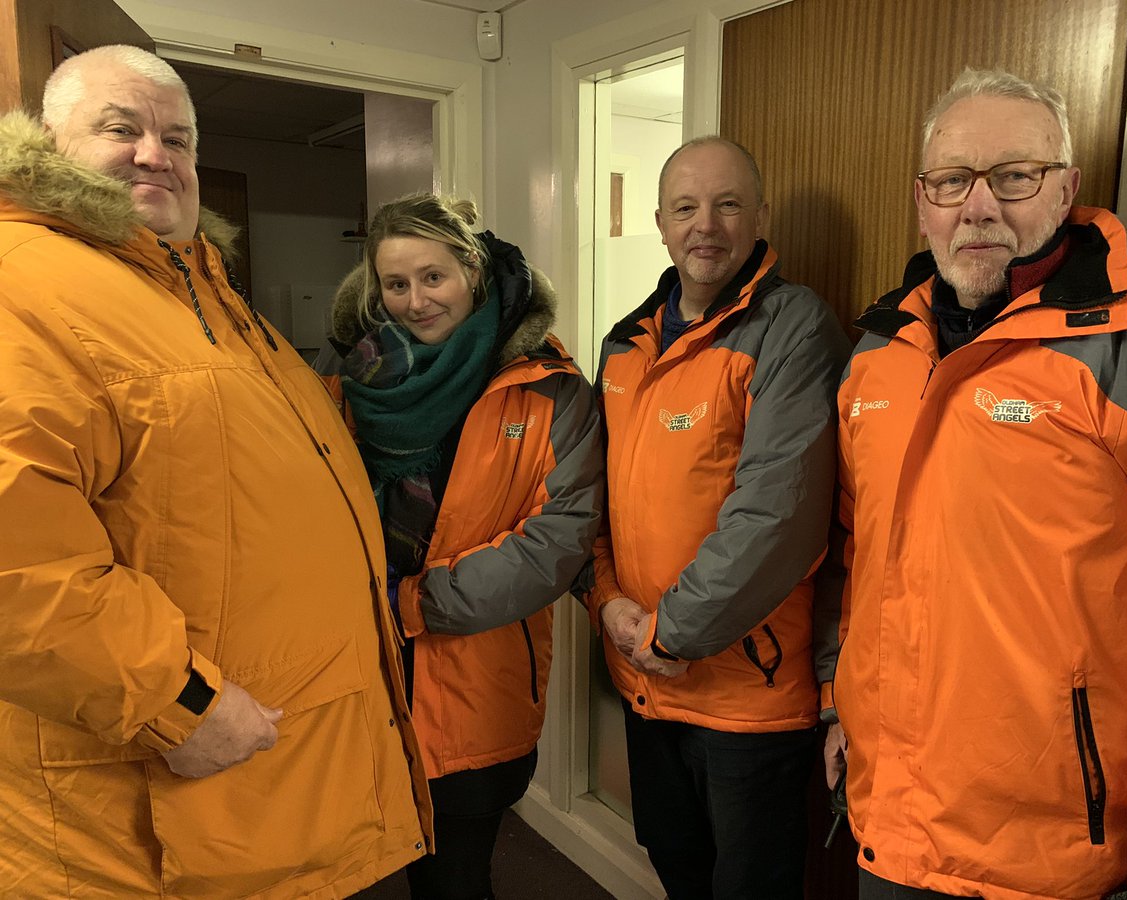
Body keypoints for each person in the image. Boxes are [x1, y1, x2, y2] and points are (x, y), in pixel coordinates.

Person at [0, 45, 432, 897]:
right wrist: (180, 704)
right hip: (154, 820)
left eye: (180, 137)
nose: (156, 154)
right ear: (45, 145)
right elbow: (19, 566)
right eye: (120, 129)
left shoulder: (205, 298)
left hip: (273, 790)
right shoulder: (24, 287)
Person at [826, 68, 1127, 900]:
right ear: (924, 198)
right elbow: (860, 556)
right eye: (953, 180)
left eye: (1014, 176)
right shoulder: (875, 354)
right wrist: (837, 699)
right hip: (888, 830)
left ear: (1066, 187)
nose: (980, 206)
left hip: (1061, 864)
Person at [581, 136, 850, 899]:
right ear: (661, 224)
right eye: (687, 207)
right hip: (644, 679)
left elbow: (776, 517)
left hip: (746, 697)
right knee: (676, 864)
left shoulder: (794, 327)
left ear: (760, 217)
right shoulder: (625, 344)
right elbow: (598, 506)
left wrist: (666, 633)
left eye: (729, 204)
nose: (708, 225)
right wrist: (608, 602)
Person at [321, 193, 603, 899]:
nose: (416, 300)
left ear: (473, 270)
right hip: (370, 670)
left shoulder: (547, 389)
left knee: (459, 870)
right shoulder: (348, 384)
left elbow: (555, 543)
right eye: (396, 283)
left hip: (479, 681)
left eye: (433, 276)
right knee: (402, 858)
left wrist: (414, 601)